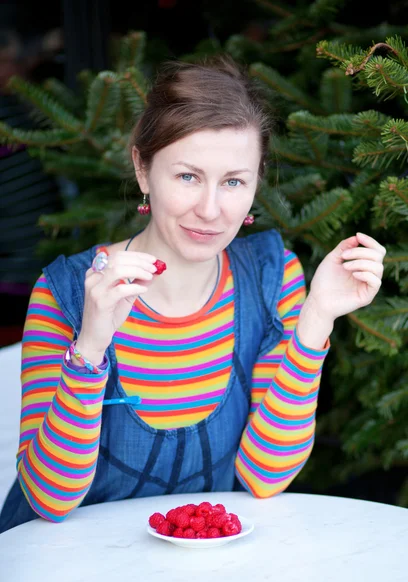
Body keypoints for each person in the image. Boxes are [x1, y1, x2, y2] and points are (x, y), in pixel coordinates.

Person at [0, 56, 386, 533]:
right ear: (143, 169)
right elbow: (48, 499)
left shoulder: (271, 275)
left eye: (233, 182)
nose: (210, 210)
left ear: (256, 180)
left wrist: (317, 320)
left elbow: (264, 477)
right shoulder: (68, 292)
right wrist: (91, 348)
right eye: (188, 176)